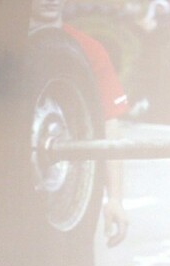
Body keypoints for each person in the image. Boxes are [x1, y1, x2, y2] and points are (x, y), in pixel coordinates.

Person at [30, 0, 130, 249]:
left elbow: (110, 125)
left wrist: (115, 198)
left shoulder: (90, 50)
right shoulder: (5, 44)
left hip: (63, 195)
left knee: (73, 259)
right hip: (12, 194)